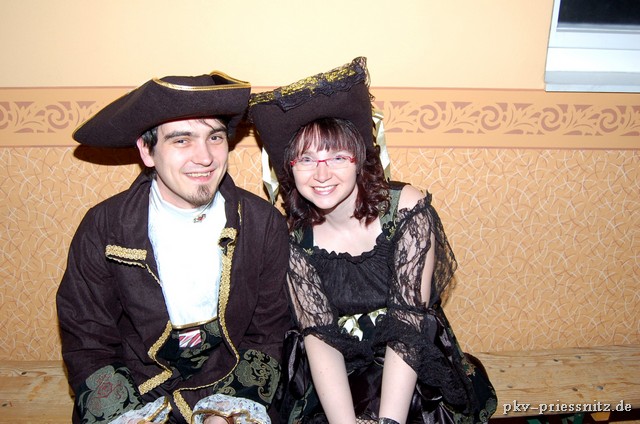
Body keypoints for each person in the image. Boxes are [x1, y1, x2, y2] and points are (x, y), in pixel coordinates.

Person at [249, 57, 497, 424]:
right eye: (306, 159)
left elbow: (408, 323)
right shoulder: (293, 239)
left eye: (337, 156)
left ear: (359, 158)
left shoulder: (406, 210)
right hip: (336, 376)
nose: (321, 174)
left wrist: (388, 422)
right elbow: (319, 339)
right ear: (289, 168)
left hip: (409, 363)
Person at [56, 70, 292, 424]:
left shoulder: (263, 224)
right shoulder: (105, 227)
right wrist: (131, 416)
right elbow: (88, 340)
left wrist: (226, 413)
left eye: (215, 137)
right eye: (182, 140)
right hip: (137, 393)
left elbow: (269, 331)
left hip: (232, 385)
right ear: (147, 151)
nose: (205, 157)